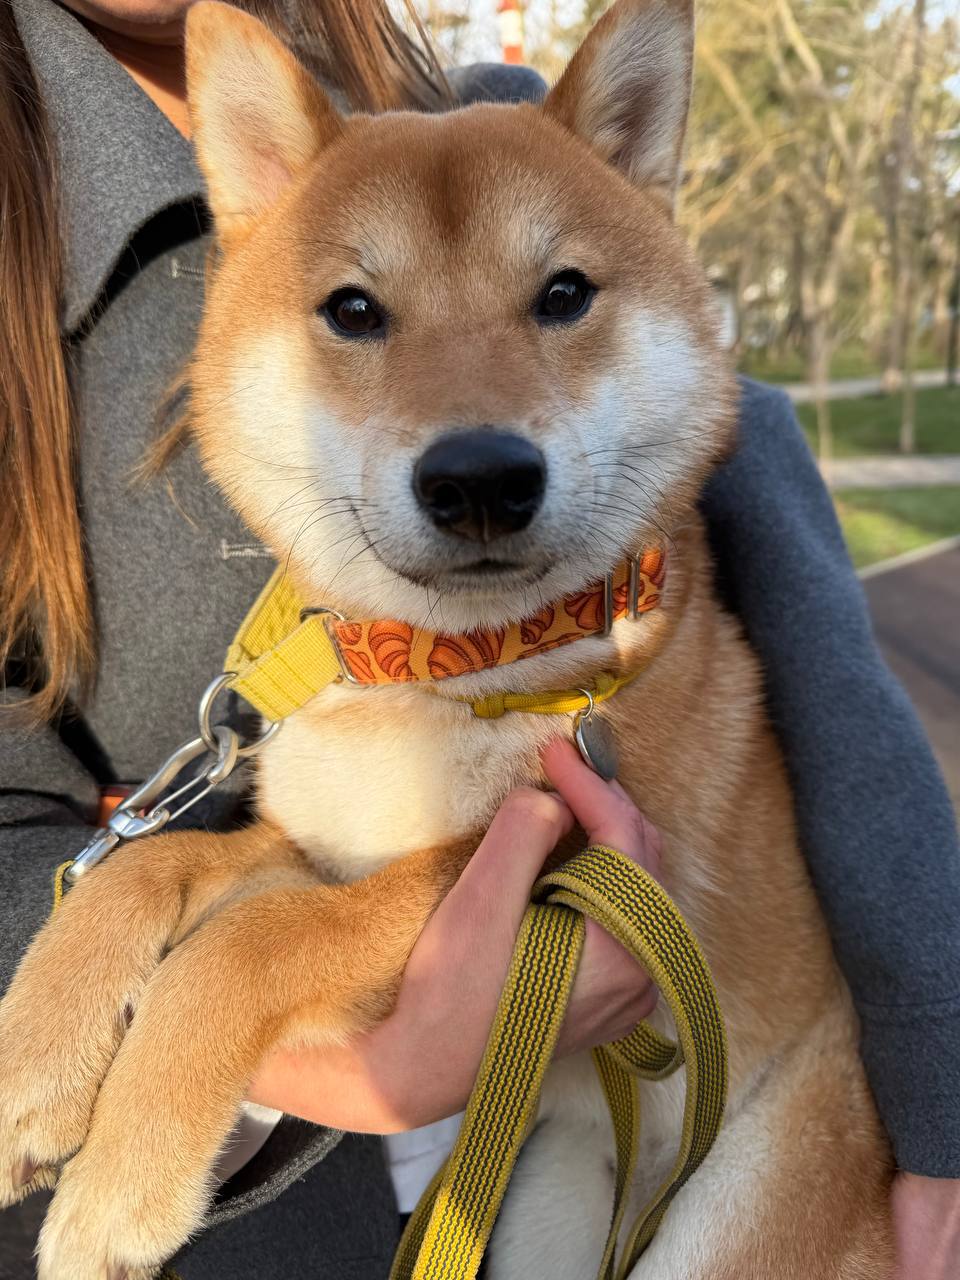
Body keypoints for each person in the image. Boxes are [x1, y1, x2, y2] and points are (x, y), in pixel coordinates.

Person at [0, 0, 958, 1275]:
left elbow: (816, 651)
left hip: (732, 1091)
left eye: (556, 295)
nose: (472, 423)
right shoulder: (39, 238)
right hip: (283, 1212)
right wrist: (303, 1041)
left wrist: (939, 1095)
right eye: (353, 312)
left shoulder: (502, 113)